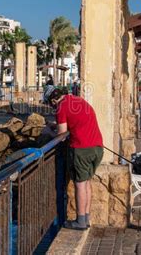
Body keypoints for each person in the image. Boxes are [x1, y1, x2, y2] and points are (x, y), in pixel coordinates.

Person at [44, 86, 103, 230]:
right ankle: (86, 217)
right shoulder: (77, 100)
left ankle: (80, 221)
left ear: (53, 100)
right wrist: (55, 125)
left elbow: (61, 136)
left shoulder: (61, 107)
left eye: (49, 104)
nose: (50, 107)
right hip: (97, 147)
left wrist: (47, 132)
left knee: (80, 185)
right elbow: (74, 122)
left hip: (82, 149)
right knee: (86, 182)